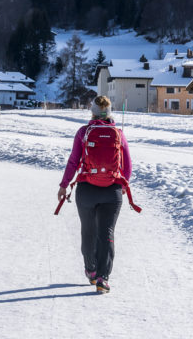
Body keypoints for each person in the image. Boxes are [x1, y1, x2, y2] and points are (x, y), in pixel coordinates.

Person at [57, 95, 138, 294]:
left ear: (92, 112)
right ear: (110, 113)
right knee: (106, 233)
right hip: (112, 191)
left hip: (86, 189)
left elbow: (73, 161)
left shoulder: (84, 132)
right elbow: (127, 166)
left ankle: (91, 271)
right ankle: (104, 278)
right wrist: (121, 186)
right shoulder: (118, 133)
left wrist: (64, 185)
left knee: (88, 231)